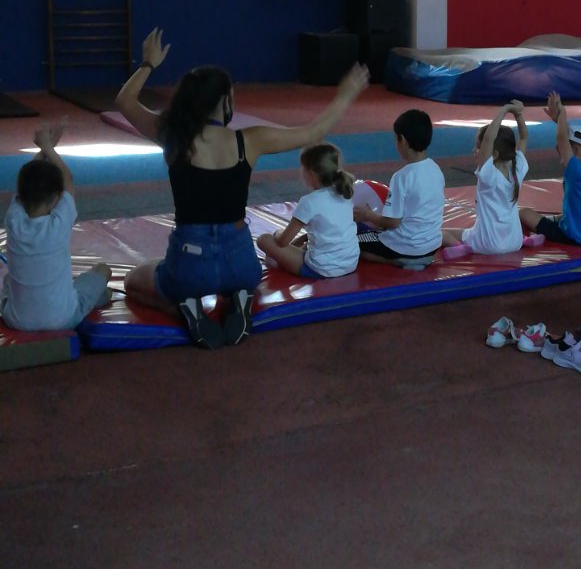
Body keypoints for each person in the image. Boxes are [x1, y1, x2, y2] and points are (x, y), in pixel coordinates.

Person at [115, 28, 368, 347]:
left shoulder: (173, 136)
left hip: (191, 263)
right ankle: (239, 297)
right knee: (232, 274)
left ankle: (184, 307)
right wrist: (345, 95)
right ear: (226, 101)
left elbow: (124, 101)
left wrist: (148, 64)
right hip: (242, 265)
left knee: (134, 280)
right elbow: (313, 132)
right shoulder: (249, 140)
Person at [1, 122, 112, 333]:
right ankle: (94, 298)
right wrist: (48, 147)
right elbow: (68, 178)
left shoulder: (13, 219)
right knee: (102, 270)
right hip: (62, 319)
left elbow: (28, 182)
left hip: (16, 320)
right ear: (57, 198)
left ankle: (88, 297)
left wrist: (46, 148)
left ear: (21, 196)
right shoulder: (59, 224)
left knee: (8, 280)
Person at [353, 108, 445, 268]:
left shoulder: (401, 177)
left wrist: (367, 215)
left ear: (402, 140)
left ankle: (398, 261)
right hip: (431, 247)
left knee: (353, 242)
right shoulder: (436, 169)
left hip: (405, 248)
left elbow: (392, 222)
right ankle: (417, 259)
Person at [256, 143, 358, 279]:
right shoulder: (343, 193)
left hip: (322, 268)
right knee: (306, 241)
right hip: (350, 263)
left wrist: (277, 234)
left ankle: (279, 263)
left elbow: (282, 242)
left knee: (264, 239)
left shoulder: (309, 201)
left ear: (311, 173)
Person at [519, 91, 581, 246]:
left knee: (524, 213)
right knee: (567, 213)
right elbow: (570, 140)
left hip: (574, 237)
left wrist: (562, 114)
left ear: (575, 150)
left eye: (561, 153)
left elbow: (562, 138)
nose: (562, 160)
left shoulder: (577, 171)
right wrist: (558, 120)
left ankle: (541, 232)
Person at [443, 101, 531, 256]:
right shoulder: (517, 168)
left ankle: (459, 247)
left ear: (494, 154)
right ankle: (525, 239)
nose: (474, 150)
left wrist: (505, 110)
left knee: (439, 233)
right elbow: (523, 137)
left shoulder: (488, 175)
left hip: (489, 244)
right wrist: (518, 115)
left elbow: (489, 139)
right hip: (515, 241)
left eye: (479, 147)